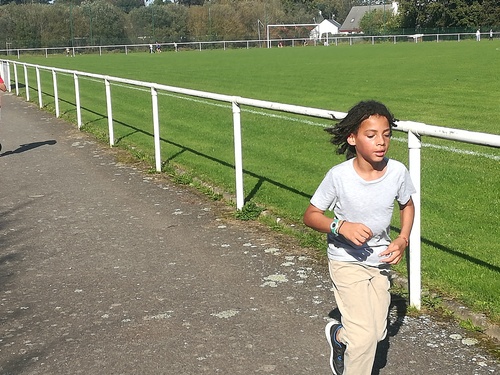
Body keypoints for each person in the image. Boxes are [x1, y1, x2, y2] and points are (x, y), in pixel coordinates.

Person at [303, 100, 415, 375]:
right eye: (371, 135)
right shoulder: (339, 176)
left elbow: (407, 205)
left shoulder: (398, 172)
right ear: (352, 138)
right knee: (364, 338)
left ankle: (339, 336)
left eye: (386, 134)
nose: (381, 142)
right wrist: (340, 227)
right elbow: (311, 214)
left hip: (379, 261)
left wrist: (402, 239)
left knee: (376, 334)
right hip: (345, 261)